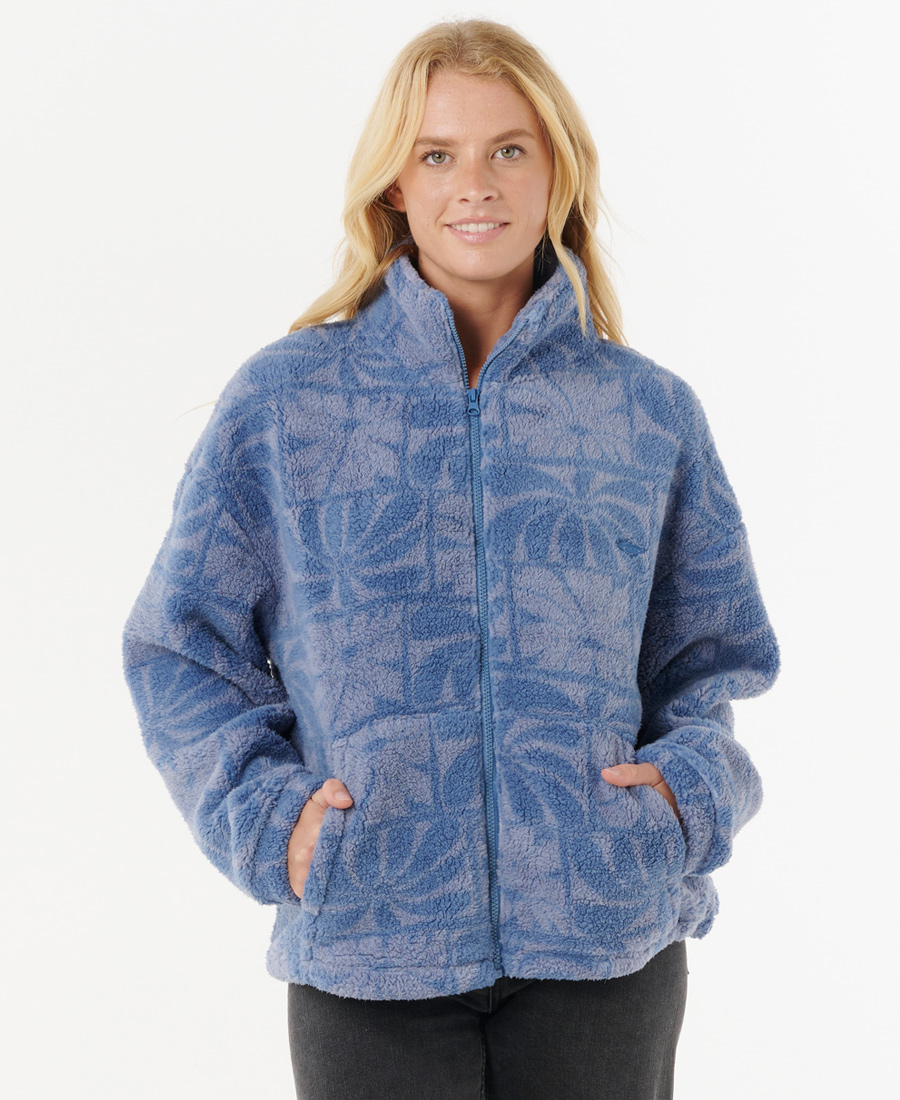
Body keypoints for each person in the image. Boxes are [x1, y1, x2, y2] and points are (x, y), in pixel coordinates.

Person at [123, 18, 780, 1100]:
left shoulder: (646, 413)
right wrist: (273, 823)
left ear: (557, 168)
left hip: (602, 942)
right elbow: (179, 647)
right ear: (395, 183)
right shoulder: (287, 404)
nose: (474, 183)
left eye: (508, 149)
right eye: (437, 154)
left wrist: (682, 801)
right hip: (370, 942)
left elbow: (710, 658)